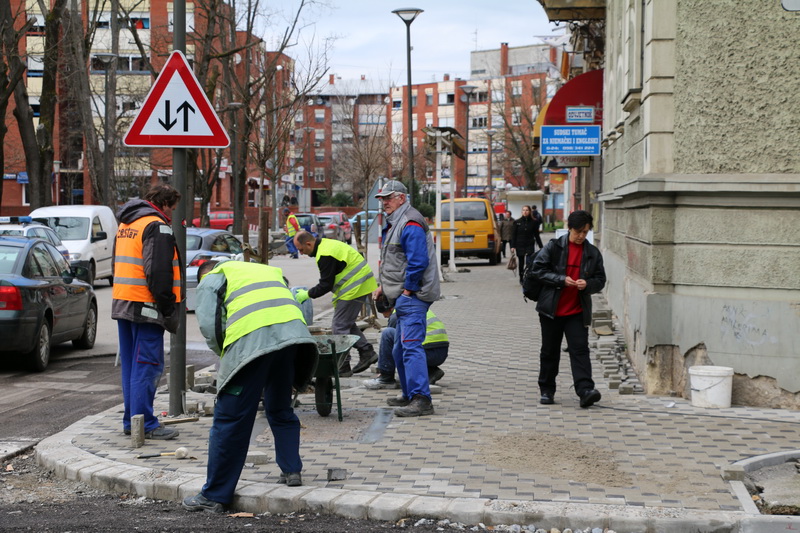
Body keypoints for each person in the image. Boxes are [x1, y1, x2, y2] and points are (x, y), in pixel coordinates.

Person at [183, 259, 317, 513]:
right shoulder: (265, 270)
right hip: (292, 341)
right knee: (279, 408)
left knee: (230, 418)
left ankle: (215, 495)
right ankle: (292, 470)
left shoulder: (212, 278)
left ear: (205, 273)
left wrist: (228, 355)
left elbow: (210, 326)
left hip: (252, 345)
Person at [112, 184, 183, 440]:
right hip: (146, 306)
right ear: (164, 204)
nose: (172, 215)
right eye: (172, 209)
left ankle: (133, 422)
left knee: (132, 366)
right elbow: (159, 272)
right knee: (147, 365)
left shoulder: (127, 223)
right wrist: (166, 307)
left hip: (124, 301)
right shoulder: (157, 225)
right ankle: (147, 425)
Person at [373, 180, 441, 417]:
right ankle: (409, 393)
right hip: (404, 295)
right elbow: (397, 261)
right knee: (399, 350)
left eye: (388, 198)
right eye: (381, 199)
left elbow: (418, 262)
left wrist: (408, 291)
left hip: (414, 296)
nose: (384, 203)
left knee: (411, 348)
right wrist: (384, 286)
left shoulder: (409, 222)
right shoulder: (398, 222)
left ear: (401, 198)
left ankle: (421, 399)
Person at [532, 210, 606, 408]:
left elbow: (600, 280)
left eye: (585, 232)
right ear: (569, 228)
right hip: (551, 310)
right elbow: (537, 269)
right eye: (578, 231)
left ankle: (585, 391)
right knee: (549, 351)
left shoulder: (592, 252)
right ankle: (547, 390)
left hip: (577, 311)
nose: (581, 236)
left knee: (580, 350)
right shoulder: (554, 247)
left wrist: (587, 285)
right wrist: (561, 280)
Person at [293, 230, 378, 376]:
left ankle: (343, 366)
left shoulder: (325, 254)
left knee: (339, 326)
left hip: (355, 286)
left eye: (301, 249)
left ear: (308, 243)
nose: (301, 253)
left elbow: (325, 284)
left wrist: (307, 294)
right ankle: (366, 352)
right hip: (357, 285)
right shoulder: (326, 246)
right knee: (346, 323)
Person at [363, 297, 449, 389]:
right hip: (440, 353)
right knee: (407, 340)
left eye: (385, 314)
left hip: (424, 352)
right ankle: (431, 372)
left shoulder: (396, 316)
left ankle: (386, 379)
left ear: (391, 308)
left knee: (387, 334)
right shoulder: (416, 305)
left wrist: (384, 369)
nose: (385, 317)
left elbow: (392, 348)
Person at [511, 205, 538, 285]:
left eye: (527, 210)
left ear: (530, 212)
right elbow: (514, 235)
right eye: (523, 210)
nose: (525, 212)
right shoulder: (517, 222)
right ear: (521, 212)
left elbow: (536, 235)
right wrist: (513, 246)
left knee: (529, 262)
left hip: (529, 244)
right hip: (520, 245)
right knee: (521, 262)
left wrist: (541, 246)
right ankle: (521, 277)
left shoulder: (534, 222)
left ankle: (528, 277)